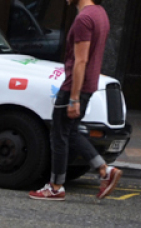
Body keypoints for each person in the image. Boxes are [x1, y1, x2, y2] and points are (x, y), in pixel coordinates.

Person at [28, 0, 121, 201]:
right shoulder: (100, 14)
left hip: (74, 87)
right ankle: (105, 170)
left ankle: (56, 186)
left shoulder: (84, 19)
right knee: (70, 131)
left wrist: (74, 98)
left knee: (59, 135)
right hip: (88, 85)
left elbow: (81, 60)